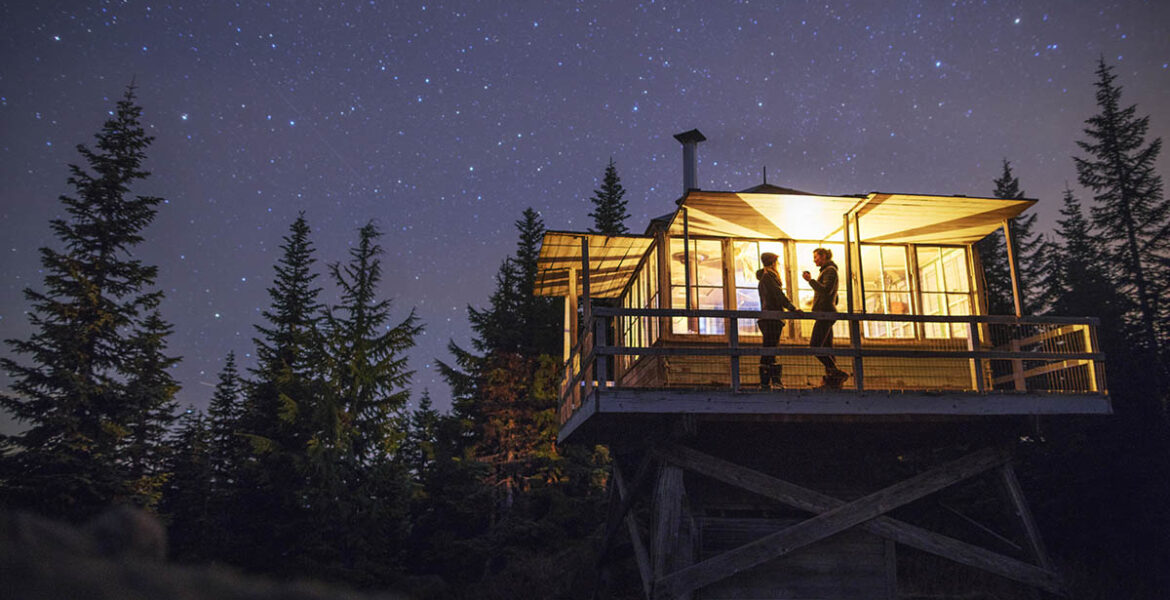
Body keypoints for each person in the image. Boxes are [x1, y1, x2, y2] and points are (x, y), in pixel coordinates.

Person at [802, 247, 850, 388]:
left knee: (815, 346)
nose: (814, 260)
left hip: (825, 314)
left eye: (816, 257)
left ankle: (836, 372)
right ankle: (833, 380)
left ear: (823, 256)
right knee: (827, 348)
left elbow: (825, 289)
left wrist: (810, 281)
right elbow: (833, 295)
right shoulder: (830, 271)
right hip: (827, 313)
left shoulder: (829, 271)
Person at [756, 252, 798, 390]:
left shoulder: (764, 277)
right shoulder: (769, 277)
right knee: (771, 349)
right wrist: (792, 308)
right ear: (773, 263)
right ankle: (773, 382)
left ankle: (767, 382)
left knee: (769, 348)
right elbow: (778, 295)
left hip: (767, 318)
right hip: (772, 318)